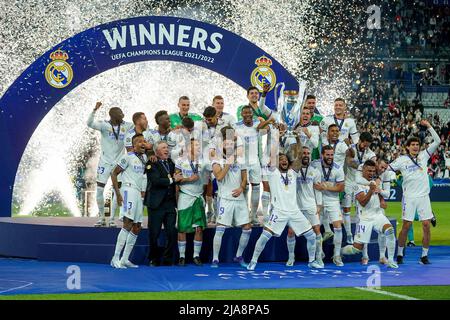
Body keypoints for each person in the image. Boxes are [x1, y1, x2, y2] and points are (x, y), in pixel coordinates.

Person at [246, 134, 322, 270]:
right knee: (264, 236)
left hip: (294, 211)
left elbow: (298, 157)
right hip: (279, 212)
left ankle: (311, 261)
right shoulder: (273, 173)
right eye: (280, 160)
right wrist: (277, 137)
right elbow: (273, 156)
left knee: (311, 236)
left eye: (285, 159)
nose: (283, 161)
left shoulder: (293, 172)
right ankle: (253, 261)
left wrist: (298, 139)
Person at [389, 119, 441, 264]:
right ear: (407, 147)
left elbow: (437, 141)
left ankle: (424, 256)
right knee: (406, 226)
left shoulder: (424, 156)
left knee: (426, 225)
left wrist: (429, 126)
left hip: (424, 197)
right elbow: (387, 169)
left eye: (417, 145)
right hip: (409, 197)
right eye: (413, 145)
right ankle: (399, 254)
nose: (416, 147)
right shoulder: (401, 160)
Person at [341, 160, 398, 269]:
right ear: (363, 170)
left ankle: (390, 260)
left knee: (390, 231)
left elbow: (380, 194)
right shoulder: (357, 185)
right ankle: (339, 251)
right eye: (369, 171)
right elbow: (362, 201)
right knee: (356, 249)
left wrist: (381, 199)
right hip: (365, 218)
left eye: (373, 171)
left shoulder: (374, 182)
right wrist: (371, 191)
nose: (371, 173)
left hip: (377, 215)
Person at [87, 101, 133, 227]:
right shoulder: (104, 125)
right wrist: (94, 110)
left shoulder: (127, 126)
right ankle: (102, 218)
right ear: (113, 115)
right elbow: (89, 123)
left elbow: (139, 128)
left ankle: (112, 219)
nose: (123, 115)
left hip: (118, 164)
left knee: (116, 190)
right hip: (105, 163)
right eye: (120, 113)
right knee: (100, 190)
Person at [211, 126, 251, 268]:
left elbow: (245, 176)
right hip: (225, 199)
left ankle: (239, 256)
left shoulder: (240, 158)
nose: (229, 145)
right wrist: (229, 161)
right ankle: (215, 259)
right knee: (220, 228)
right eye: (226, 143)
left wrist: (242, 187)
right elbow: (220, 177)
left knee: (247, 227)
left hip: (239, 198)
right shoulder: (216, 160)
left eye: (231, 143)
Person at [110, 134, 147, 268]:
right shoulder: (127, 157)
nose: (143, 143)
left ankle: (125, 259)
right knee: (127, 223)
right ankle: (115, 258)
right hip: (128, 191)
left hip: (137, 193)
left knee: (137, 226)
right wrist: (118, 194)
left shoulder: (144, 158)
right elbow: (114, 173)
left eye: (144, 141)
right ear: (134, 144)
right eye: (140, 142)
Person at [234, 106, 275, 225]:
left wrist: (264, 121)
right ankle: (244, 215)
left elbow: (267, 129)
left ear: (253, 114)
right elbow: (230, 141)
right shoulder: (236, 126)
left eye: (250, 113)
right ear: (241, 114)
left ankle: (253, 215)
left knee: (256, 187)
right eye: (245, 113)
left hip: (255, 161)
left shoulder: (257, 124)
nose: (248, 115)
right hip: (242, 162)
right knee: (245, 188)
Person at [145, 141, 183, 266]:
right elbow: (156, 181)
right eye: (163, 148)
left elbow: (176, 177)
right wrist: (173, 179)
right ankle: (154, 259)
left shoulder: (171, 163)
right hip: (156, 204)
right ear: (156, 151)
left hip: (170, 204)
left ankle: (168, 259)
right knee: (154, 233)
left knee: (172, 232)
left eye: (167, 147)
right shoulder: (151, 163)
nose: (167, 149)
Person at [175, 139, 207, 266]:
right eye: (196, 145)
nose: (199, 147)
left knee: (199, 228)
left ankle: (196, 256)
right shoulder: (180, 161)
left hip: (198, 197)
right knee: (182, 228)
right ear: (189, 147)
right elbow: (176, 179)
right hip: (185, 196)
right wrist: (189, 179)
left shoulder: (204, 162)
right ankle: (182, 257)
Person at [355, 158, 393, 265]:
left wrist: (380, 192)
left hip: (377, 205)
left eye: (385, 168)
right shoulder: (365, 168)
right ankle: (365, 256)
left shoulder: (386, 175)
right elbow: (357, 180)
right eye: (381, 167)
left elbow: (387, 193)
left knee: (383, 232)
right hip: (364, 205)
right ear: (376, 165)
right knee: (364, 231)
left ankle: (382, 256)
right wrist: (372, 184)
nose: (383, 170)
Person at [312, 145, 346, 266]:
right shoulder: (314, 165)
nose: (330, 157)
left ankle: (336, 255)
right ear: (322, 155)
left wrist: (326, 187)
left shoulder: (338, 168)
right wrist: (318, 186)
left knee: (338, 227)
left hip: (332, 200)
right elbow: (310, 181)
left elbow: (341, 187)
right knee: (316, 228)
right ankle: (319, 253)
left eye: (332, 155)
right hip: (317, 200)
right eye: (328, 154)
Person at [343, 132, 376, 245]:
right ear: (360, 141)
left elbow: (372, 167)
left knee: (360, 212)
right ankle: (349, 235)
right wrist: (363, 166)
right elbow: (349, 162)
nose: (366, 147)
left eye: (368, 145)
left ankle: (359, 237)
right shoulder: (350, 148)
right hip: (349, 181)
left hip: (361, 183)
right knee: (346, 209)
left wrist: (360, 165)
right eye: (364, 145)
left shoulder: (371, 154)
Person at [293, 146, 324, 267]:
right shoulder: (294, 171)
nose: (306, 155)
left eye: (307, 153)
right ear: (300, 155)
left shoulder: (315, 171)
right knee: (291, 232)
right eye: (303, 153)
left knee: (317, 231)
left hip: (311, 205)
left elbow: (318, 189)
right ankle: (291, 257)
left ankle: (317, 258)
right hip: (297, 206)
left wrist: (319, 204)